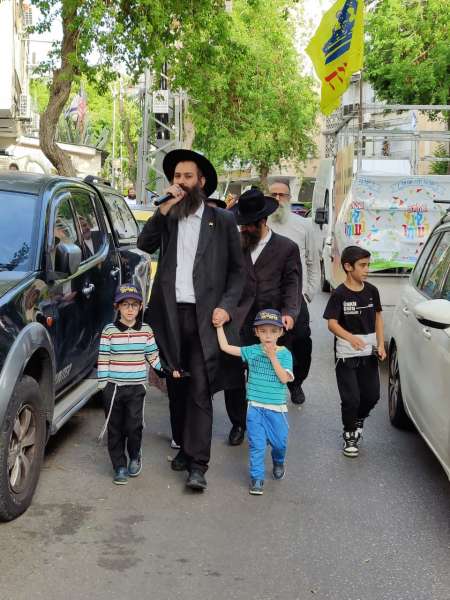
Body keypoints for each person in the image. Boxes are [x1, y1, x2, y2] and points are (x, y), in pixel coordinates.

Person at [137, 149, 244, 491]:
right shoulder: (169, 216)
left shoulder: (222, 220)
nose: (180, 182)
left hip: (205, 319)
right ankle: (184, 447)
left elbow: (238, 273)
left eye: (186, 177)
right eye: (176, 177)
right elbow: (144, 244)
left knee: (199, 388)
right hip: (170, 316)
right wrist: (161, 209)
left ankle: (198, 464)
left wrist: (227, 306)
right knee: (177, 386)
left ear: (201, 182)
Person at [224, 189, 301, 446]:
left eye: (248, 225)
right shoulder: (234, 245)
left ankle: (266, 420)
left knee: (268, 373)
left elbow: (292, 284)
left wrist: (289, 312)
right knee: (234, 373)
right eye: (241, 224)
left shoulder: (287, 248)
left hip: (271, 322)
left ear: (262, 222)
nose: (243, 229)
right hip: (238, 318)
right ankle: (238, 423)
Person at [98, 284, 180, 485]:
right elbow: (103, 359)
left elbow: (152, 356)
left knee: (133, 426)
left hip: (136, 388)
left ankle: (134, 455)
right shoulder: (109, 331)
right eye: (125, 304)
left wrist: (168, 370)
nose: (130, 309)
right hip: (114, 388)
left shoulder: (145, 330)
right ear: (117, 306)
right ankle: (119, 466)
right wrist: (104, 386)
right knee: (115, 429)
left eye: (134, 305)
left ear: (140, 307)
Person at [217, 309, 293, 495]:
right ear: (256, 332)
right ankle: (257, 478)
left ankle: (278, 461)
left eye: (273, 331)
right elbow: (226, 347)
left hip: (277, 410)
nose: (268, 336)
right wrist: (219, 327)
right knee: (257, 445)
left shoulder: (285, 354)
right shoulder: (252, 351)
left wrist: (272, 357)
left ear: (280, 332)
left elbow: (284, 378)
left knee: (280, 444)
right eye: (263, 331)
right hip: (255, 408)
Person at [323, 246, 386, 457]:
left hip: (368, 353)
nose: (367, 269)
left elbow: (378, 318)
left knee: (372, 396)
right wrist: (349, 337)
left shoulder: (372, 291)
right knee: (351, 398)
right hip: (346, 355)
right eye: (363, 265)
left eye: (368, 265)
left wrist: (381, 344)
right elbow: (332, 324)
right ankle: (349, 433)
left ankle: (359, 418)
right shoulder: (339, 294)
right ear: (348, 267)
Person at [268, 180, 320, 405]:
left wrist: (308, 294)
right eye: (274, 195)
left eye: (282, 195)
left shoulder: (303, 224)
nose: (278, 199)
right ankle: (270, 385)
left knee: (301, 342)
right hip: (267, 296)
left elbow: (312, 261)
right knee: (268, 341)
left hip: (297, 297)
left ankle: (296, 382)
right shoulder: (261, 222)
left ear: (289, 198)